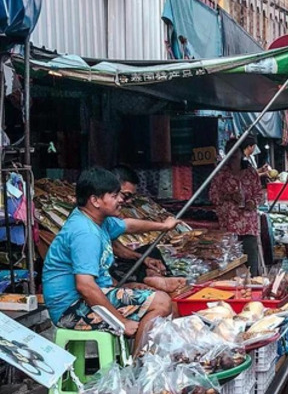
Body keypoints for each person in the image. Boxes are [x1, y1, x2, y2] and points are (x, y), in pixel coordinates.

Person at [43, 168, 177, 352]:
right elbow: (85, 286)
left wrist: (163, 226)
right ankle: (138, 368)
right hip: (71, 309)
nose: (120, 199)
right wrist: (120, 322)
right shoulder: (85, 233)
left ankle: (137, 361)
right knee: (161, 302)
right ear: (95, 200)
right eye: (114, 196)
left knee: (148, 292)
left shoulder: (97, 220)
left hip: (86, 298)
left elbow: (128, 225)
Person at [109, 165, 186, 294]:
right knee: (161, 303)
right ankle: (148, 279)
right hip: (101, 286)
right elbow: (88, 280)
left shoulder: (105, 220)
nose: (126, 202)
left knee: (149, 251)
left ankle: (154, 277)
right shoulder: (86, 230)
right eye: (125, 196)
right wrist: (122, 288)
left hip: (106, 278)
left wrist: (144, 258)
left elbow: (119, 241)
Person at [209, 137, 263, 275]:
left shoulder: (251, 172)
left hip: (248, 225)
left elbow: (259, 194)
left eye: (236, 151)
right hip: (228, 225)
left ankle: (253, 284)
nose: (233, 155)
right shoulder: (221, 173)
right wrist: (229, 196)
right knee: (231, 263)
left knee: (251, 259)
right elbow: (213, 197)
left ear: (241, 152)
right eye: (230, 151)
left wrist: (252, 202)